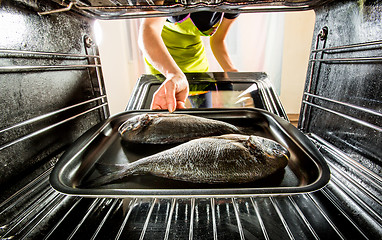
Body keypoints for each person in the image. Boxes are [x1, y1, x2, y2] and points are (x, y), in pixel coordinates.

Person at [138, 11, 239, 112]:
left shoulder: (232, 3)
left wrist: (230, 70)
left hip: (196, 61)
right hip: (163, 60)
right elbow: (149, 29)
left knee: (203, 116)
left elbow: (218, 41)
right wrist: (173, 74)